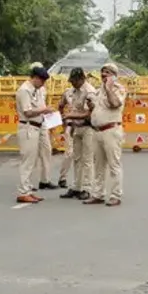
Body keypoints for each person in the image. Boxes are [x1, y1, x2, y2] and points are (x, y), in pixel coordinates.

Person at [83, 63, 126, 206]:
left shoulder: (118, 89)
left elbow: (115, 104)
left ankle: (115, 195)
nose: (103, 75)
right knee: (98, 165)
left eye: (107, 72)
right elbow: (98, 108)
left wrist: (108, 88)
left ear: (114, 75)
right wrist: (91, 107)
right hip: (97, 131)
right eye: (102, 72)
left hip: (111, 131)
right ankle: (98, 194)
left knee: (114, 164)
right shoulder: (98, 90)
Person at [15, 66, 57, 203]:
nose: (43, 84)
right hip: (28, 126)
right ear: (36, 78)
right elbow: (27, 112)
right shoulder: (24, 90)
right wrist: (44, 110)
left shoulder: (36, 90)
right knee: (27, 161)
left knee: (32, 161)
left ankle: (27, 189)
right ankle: (22, 191)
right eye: (42, 81)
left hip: (37, 126)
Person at [58, 67, 97, 199]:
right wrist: (68, 118)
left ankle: (87, 188)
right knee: (77, 158)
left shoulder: (89, 91)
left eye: (74, 81)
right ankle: (77, 186)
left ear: (81, 79)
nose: (72, 83)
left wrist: (70, 115)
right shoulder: (73, 91)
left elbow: (88, 114)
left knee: (87, 159)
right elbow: (63, 105)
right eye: (71, 81)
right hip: (76, 127)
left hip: (88, 128)